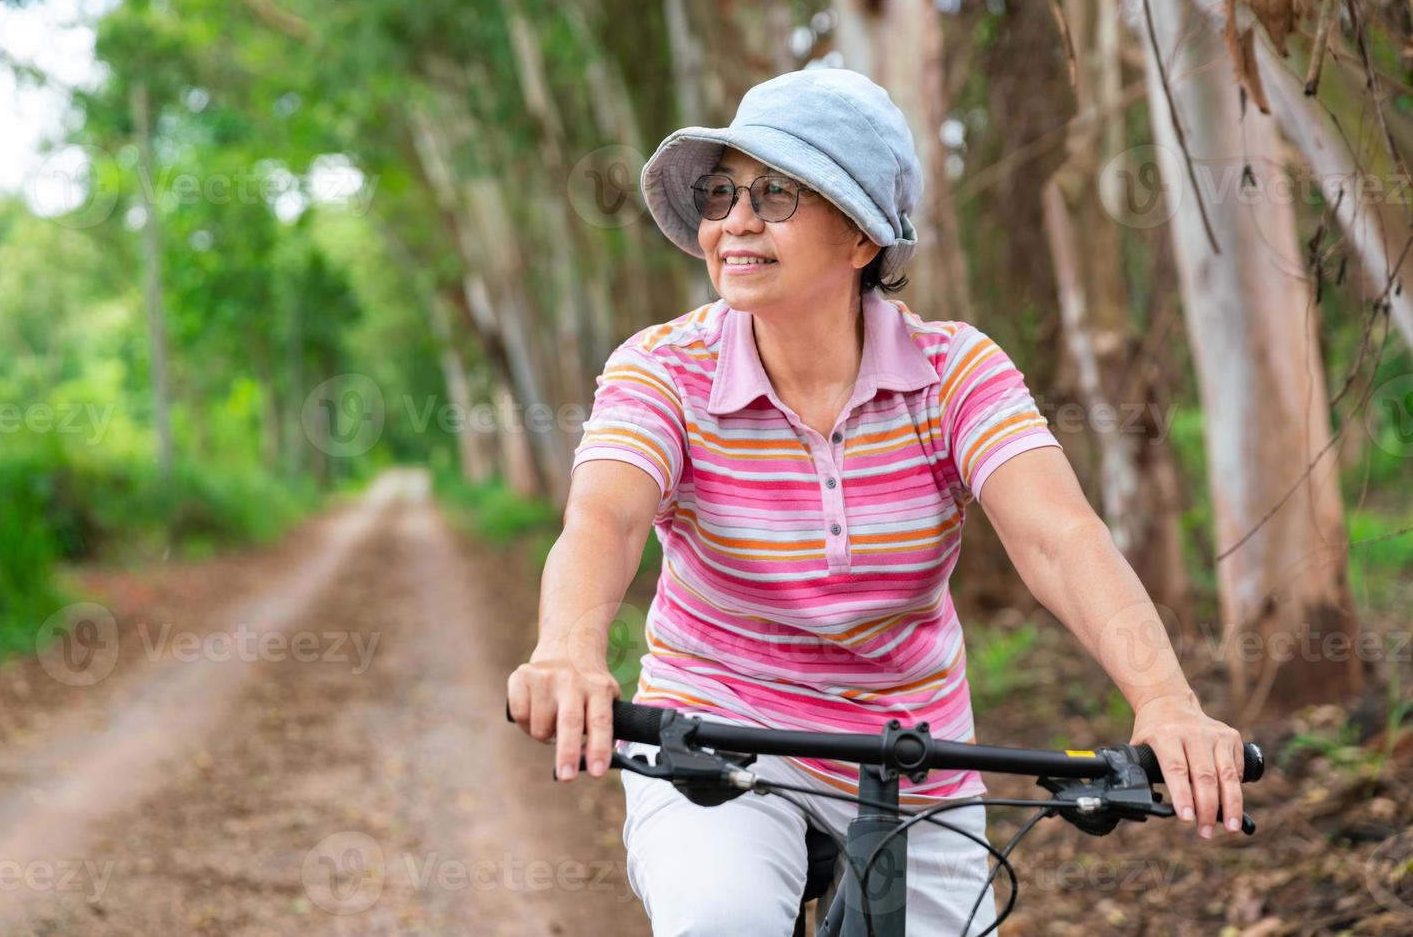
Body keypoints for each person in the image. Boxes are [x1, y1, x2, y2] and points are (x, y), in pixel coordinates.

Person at [506, 67, 1245, 936]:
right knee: (723, 919)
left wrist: (1163, 699)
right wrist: (568, 648)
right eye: (722, 192)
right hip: (717, 734)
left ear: (862, 239)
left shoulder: (954, 372)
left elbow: (1058, 538)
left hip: (914, 751)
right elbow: (605, 519)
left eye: (776, 194)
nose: (735, 222)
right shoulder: (664, 369)